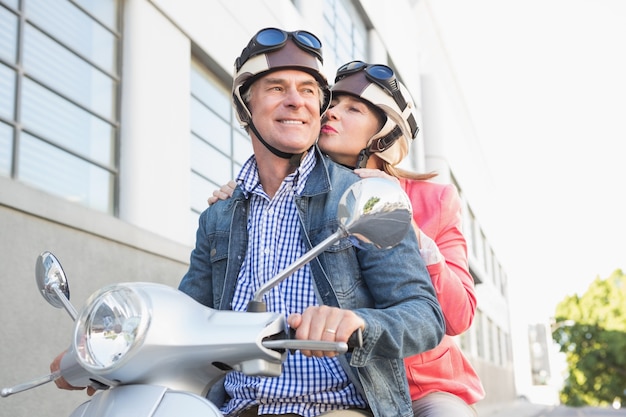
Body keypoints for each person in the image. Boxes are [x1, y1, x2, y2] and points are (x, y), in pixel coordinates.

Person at [50, 28, 444, 417]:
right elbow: (183, 318)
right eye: (276, 88)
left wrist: (357, 322)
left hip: (337, 408)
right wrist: (106, 352)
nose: (296, 102)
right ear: (245, 106)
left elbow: (424, 315)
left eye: (308, 91)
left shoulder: (360, 196)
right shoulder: (219, 215)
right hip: (235, 408)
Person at [210, 60, 485, 417]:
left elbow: (457, 314)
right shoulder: (311, 190)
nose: (332, 114)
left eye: (352, 108)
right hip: (349, 378)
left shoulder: (435, 200)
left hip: (422, 382)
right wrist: (237, 195)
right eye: (333, 104)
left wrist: (403, 223)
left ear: (384, 136)